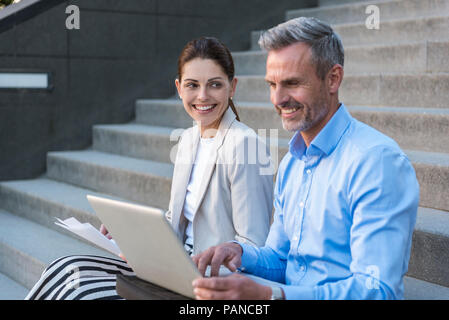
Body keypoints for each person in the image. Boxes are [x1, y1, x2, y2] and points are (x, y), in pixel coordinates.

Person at [25, 37, 274, 300]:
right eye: (192, 85)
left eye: (215, 84)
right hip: (171, 266)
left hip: (208, 280)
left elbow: (254, 246)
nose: (202, 95)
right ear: (179, 88)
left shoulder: (246, 146)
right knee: (63, 269)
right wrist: (132, 234)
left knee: (83, 294)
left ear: (232, 87)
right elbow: (178, 221)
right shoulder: (189, 139)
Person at [191, 17, 419, 300]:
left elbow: (377, 289)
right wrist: (239, 252)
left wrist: (273, 296)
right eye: (272, 85)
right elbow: (282, 260)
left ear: (333, 78)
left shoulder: (377, 163)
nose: (278, 98)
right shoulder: (292, 163)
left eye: (292, 83)